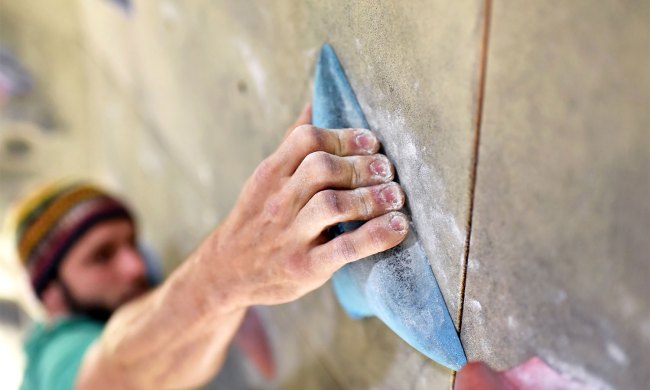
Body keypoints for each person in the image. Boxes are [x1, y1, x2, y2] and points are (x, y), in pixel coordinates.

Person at [9, 104, 411, 389]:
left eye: (131, 242)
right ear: (51, 294)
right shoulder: (52, 359)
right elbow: (116, 374)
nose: (134, 265)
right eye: (101, 256)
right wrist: (228, 276)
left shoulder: (136, 302)